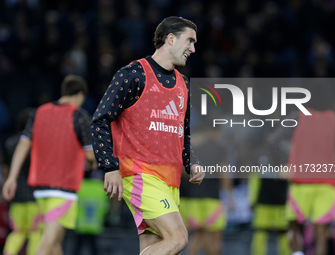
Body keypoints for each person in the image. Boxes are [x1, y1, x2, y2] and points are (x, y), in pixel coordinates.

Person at [91, 16, 205, 255]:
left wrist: (191, 162)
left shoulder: (184, 85)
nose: (193, 49)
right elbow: (100, 119)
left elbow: (183, 132)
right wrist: (109, 166)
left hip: (170, 181)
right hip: (140, 175)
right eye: (190, 41)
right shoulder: (132, 74)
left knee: (155, 247)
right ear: (171, 39)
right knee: (178, 238)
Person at [2, 75, 96, 255]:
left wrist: (12, 178)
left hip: (39, 189)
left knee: (55, 243)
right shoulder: (79, 116)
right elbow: (90, 155)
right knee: (46, 244)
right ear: (80, 94)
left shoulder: (39, 112)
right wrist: (92, 164)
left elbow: (23, 144)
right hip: (63, 189)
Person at [269, 83, 335, 255]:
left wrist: (284, 163)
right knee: (321, 232)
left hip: (300, 181)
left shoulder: (297, 116)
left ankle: (297, 253)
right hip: (327, 183)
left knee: (293, 225)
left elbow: (273, 140)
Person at [2, 108, 43, 255]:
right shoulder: (39, 145)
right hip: (36, 196)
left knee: (17, 232)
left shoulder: (9, 143)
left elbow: (6, 170)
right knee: (35, 233)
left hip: (16, 196)